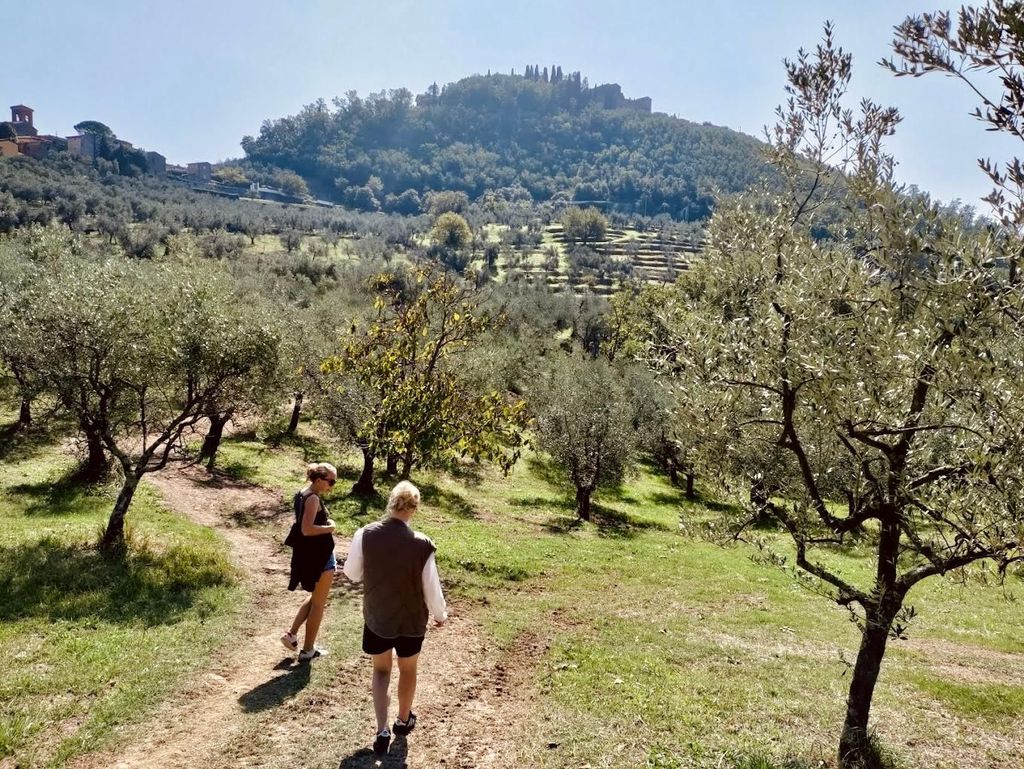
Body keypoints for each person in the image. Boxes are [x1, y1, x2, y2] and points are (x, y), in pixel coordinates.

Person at [342, 480, 447, 757]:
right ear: (415, 508)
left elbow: (351, 573)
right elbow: (431, 587)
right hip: (411, 620)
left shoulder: (365, 534)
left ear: (391, 503)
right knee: (408, 669)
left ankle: (381, 730)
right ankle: (402, 720)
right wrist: (440, 614)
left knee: (381, 671)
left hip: (378, 616)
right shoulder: (423, 544)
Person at [281, 462, 337, 661]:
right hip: (320, 556)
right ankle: (308, 650)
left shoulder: (302, 493)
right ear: (320, 480)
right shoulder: (312, 498)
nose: (332, 485)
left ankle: (291, 634)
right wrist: (329, 528)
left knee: (315, 598)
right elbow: (307, 529)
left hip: (311, 554)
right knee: (319, 604)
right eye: (331, 481)